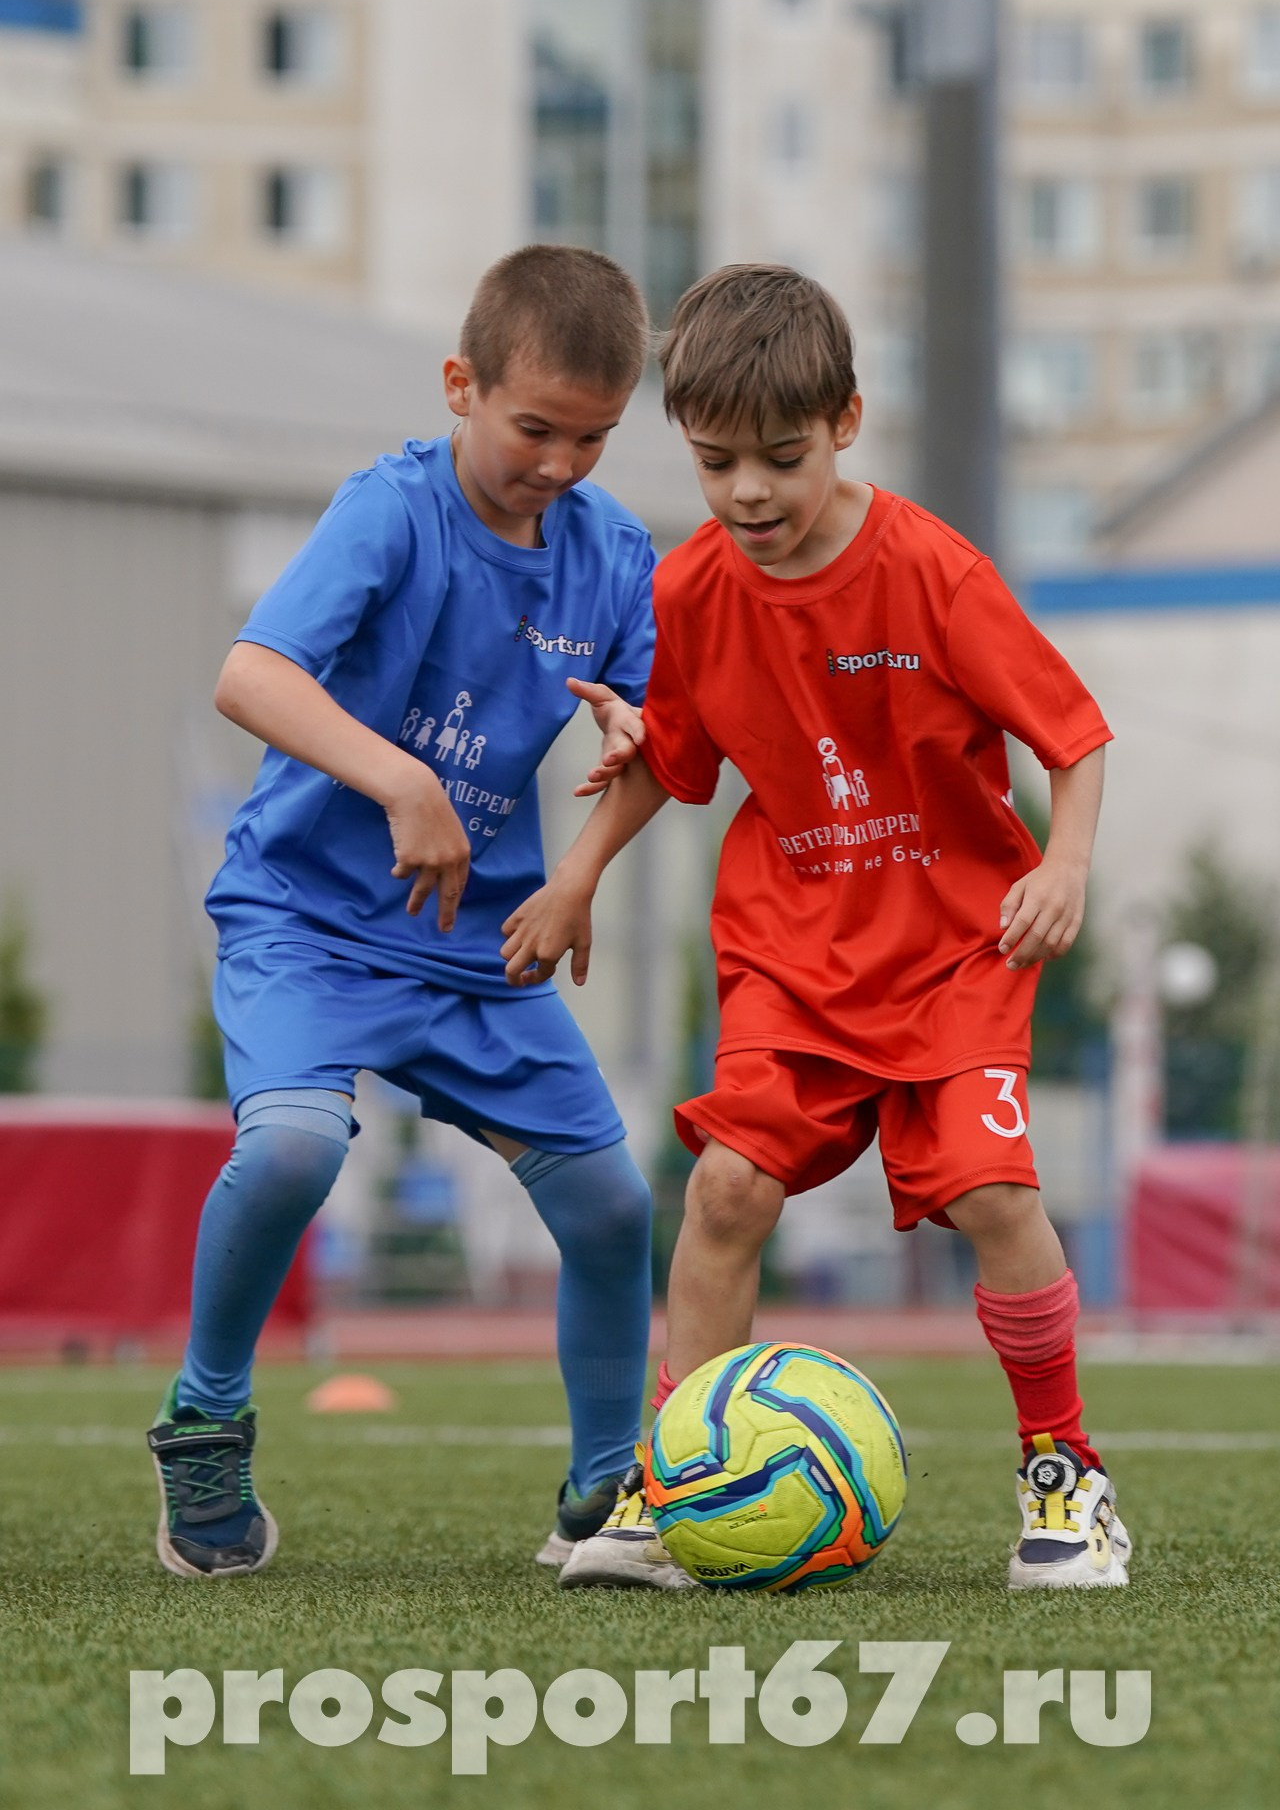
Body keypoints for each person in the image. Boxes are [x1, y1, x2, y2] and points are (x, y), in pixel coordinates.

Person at [501, 262, 1131, 1593]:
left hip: (955, 951)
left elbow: (1072, 737)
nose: (749, 493)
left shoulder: (934, 572)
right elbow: (673, 762)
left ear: (846, 421)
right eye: (716, 462)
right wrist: (577, 877)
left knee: (995, 1192)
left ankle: (1066, 1475)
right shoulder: (690, 591)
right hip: (791, 952)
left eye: (781, 459)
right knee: (727, 1189)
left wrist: (1066, 865)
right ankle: (675, 1484)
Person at [147, 245, 671, 1581]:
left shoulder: (615, 555)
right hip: (308, 923)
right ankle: (205, 1419)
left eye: (593, 439)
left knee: (614, 1209)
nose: (560, 463)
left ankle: (606, 1493)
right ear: (460, 385)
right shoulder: (390, 510)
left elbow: (656, 746)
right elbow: (250, 675)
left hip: (478, 948)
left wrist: (582, 867)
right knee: (292, 1151)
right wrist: (403, 780)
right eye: (534, 428)